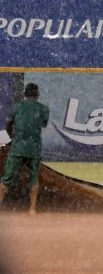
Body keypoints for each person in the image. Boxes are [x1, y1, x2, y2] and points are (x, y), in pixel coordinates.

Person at [0, 83, 50, 215]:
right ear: (37, 95)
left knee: (7, 178)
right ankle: (32, 209)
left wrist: (12, 137)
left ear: (24, 94)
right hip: (34, 148)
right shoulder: (43, 109)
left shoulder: (17, 107)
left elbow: (8, 125)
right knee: (33, 178)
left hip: (17, 147)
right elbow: (43, 124)